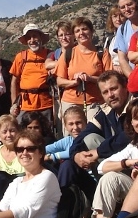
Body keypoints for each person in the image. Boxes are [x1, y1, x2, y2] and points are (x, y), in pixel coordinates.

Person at [56, 71, 133, 199]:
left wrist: (98, 151)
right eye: (105, 92)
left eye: (114, 89)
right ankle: (61, 212)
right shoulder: (106, 112)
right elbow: (82, 135)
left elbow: (127, 137)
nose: (111, 95)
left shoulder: (137, 106)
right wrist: (76, 155)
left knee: (91, 140)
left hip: (135, 170)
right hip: (111, 169)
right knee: (68, 164)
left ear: (125, 87)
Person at [54, 16, 109, 121]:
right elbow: (59, 81)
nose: (81, 33)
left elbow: (109, 79)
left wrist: (89, 78)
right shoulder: (68, 53)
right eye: (77, 31)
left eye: (84, 29)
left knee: (93, 135)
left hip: (95, 103)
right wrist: (74, 82)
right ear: (74, 35)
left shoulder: (102, 53)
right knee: (72, 135)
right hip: (70, 103)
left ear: (92, 31)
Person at [9, 23, 54, 126]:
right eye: (29, 37)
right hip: (25, 105)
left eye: (35, 36)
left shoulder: (50, 55)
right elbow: (14, 82)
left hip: (46, 105)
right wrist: (14, 104)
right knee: (23, 135)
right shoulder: (21, 57)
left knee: (46, 136)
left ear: (41, 37)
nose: (32, 40)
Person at [112, 0, 138, 78]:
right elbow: (122, 59)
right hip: (135, 79)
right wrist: (133, 78)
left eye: (129, 4)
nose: (127, 9)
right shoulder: (122, 30)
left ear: (136, 3)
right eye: (123, 7)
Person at [104, 5, 124, 70]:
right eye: (115, 16)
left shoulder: (132, 35)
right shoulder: (109, 39)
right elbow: (107, 60)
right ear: (111, 19)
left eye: (121, 15)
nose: (118, 19)